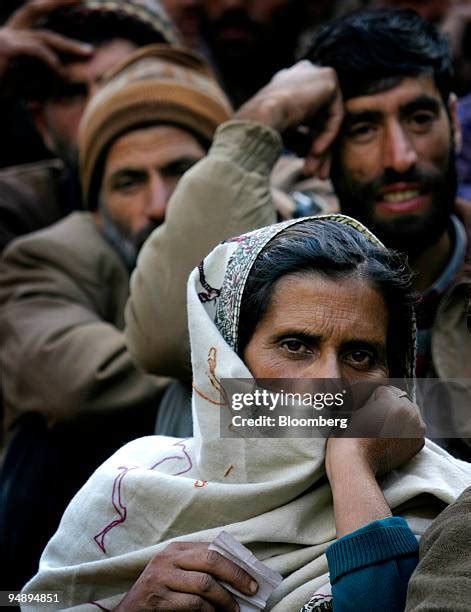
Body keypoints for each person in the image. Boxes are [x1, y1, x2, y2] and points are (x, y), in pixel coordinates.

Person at [23, 215, 471, 610]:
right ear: (228, 356)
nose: (329, 384)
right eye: (296, 346)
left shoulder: (443, 502)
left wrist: (352, 466)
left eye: (359, 356)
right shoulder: (134, 484)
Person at [0, 44, 231, 590]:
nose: (158, 204)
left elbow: (366, 407)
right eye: (128, 181)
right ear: (96, 205)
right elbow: (75, 384)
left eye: (184, 172)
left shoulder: (295, 227)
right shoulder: (47, 257)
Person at [0, 0, 178, 251]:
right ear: (41, 124)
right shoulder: (15, 211)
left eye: (119, 82)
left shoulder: (233, 186)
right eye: (71, 94)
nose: (97, 107)